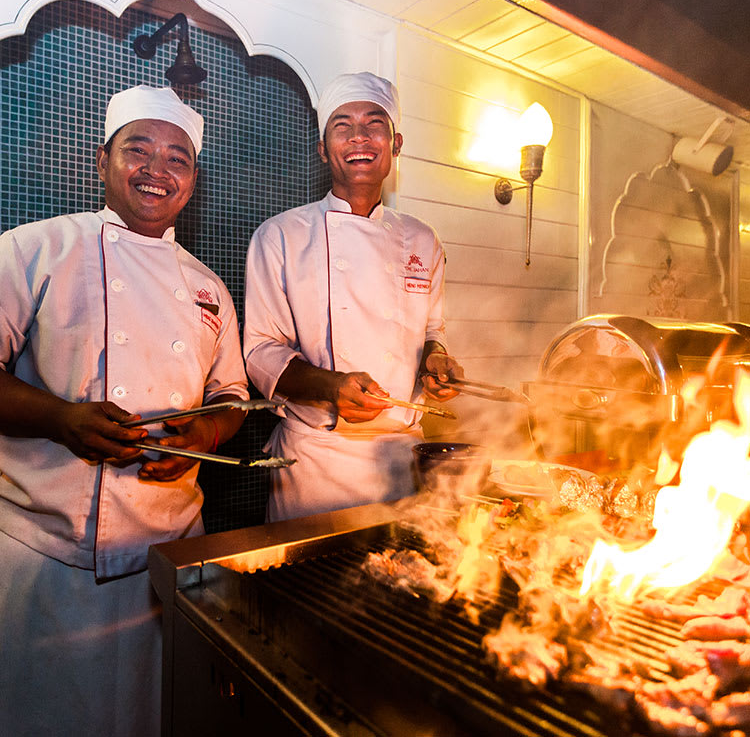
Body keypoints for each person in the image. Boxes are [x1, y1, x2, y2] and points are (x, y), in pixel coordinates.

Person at [0, 85, 249, 737]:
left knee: (153, 716)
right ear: (102, 161)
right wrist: (61, 420)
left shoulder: (208, 287)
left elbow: (234, 396)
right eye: (138, 149)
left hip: (169, 557)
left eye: (178, 158)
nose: (156, 169)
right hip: (47, 562)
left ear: (192, 181)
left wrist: (209, 430)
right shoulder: (32, 250)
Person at [244, 71, 463, 522]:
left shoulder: (423, 239)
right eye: (342, 126)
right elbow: (261, 353)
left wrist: (437, 361)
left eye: (374, 124)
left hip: (401, 459)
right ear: (324, 149)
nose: (359, 137)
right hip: (315, 464)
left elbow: (431, 332)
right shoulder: (281, 235)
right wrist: (330, 387)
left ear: (395, 144)